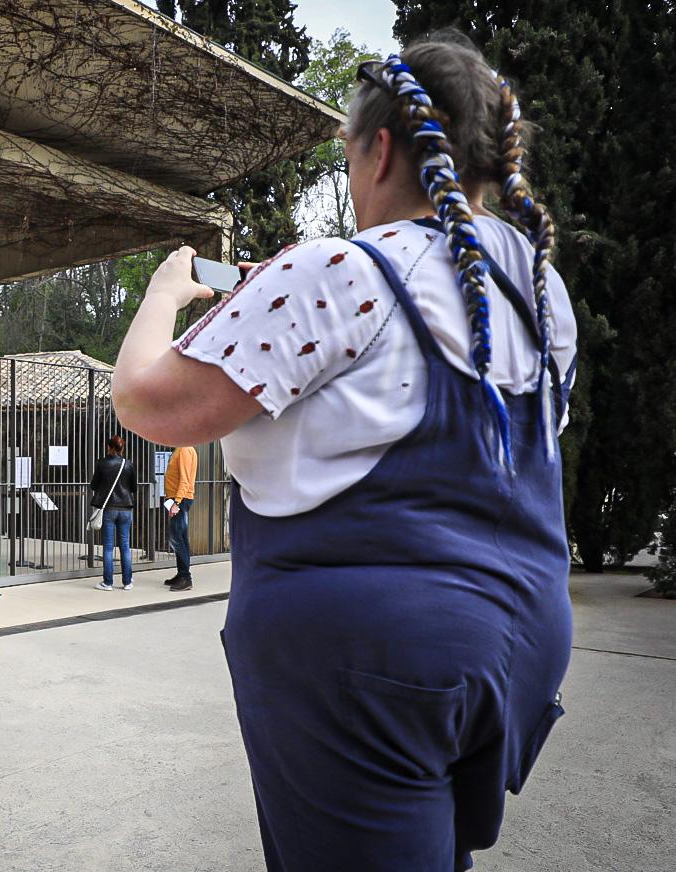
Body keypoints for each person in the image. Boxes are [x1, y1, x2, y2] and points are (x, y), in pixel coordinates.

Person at [111, 33, 576, 871]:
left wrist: (163, 295)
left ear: (380, 148)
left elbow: (146, 402)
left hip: (372, 657)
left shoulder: (335, 269)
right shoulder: (533, 281)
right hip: (519, 638)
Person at [89, 434, 138, 590]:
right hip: (126, 509)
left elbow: (94, 485)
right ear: (122, 448)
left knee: (108, 547)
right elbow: (134, 487)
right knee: (125, 545)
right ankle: (127, 582)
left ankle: (108, 583)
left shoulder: (102, 463)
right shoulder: (128, 464)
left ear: (109, 447)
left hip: (109, 508)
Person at [162, 445, 197, 591]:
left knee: (177, 538)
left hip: (180, 500)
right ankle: (181, 574)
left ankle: (185, 577)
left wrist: (176, 502)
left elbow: (185, 479)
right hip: (178, 499)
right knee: (180, 537)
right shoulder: (182, 448)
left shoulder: (184, 449)